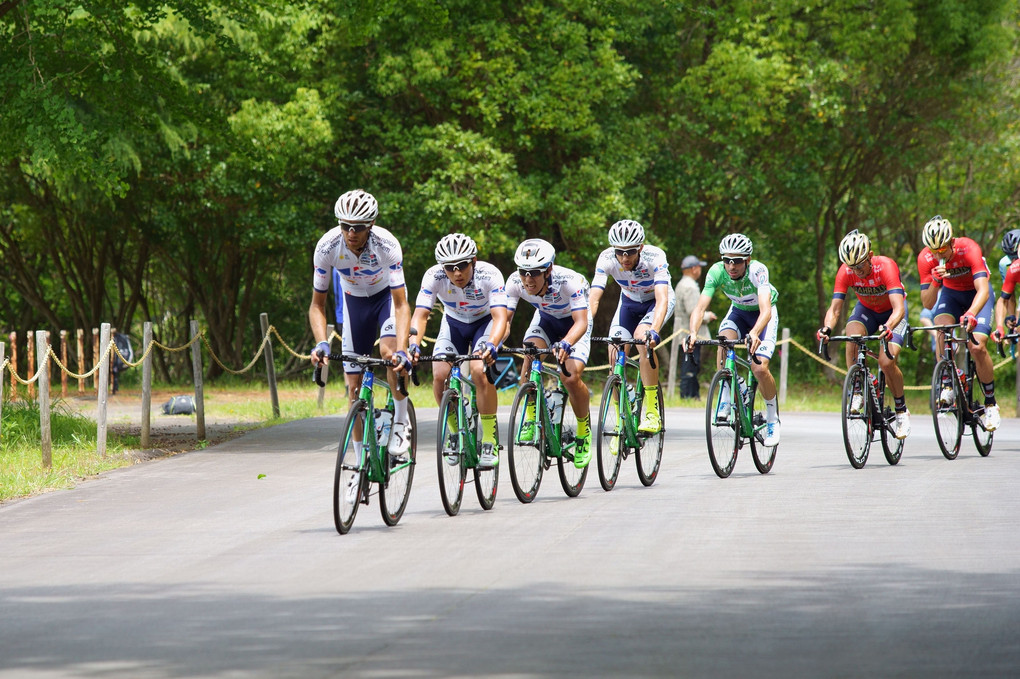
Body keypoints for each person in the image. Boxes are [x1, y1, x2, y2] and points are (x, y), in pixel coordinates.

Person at [308, 189, 414, 457]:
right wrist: (321, 342)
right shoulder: (327, 246)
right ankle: (358, 462)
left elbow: (401, 304)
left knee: (390, 354)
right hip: (354, 302)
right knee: (353, 387)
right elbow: (317, 305)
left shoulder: (387, 245)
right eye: (345, 226)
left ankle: (401, 422)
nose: (350, 232)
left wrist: (403, 348)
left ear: (371, 225)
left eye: (358, 227)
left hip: (386, 299)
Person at [409, 233, 509, 468]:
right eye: (450, 268)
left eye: (462, 266)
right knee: (439, 375)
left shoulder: (489, 274)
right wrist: (413, 345)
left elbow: (500, 316)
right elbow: (420, 315)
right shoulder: (433, 276)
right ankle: (454, 432)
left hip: (484, 324)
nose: (457, 273)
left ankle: (489, 438)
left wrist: (492, 344)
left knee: (478, 369)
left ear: (473, 261)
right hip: (453, 323)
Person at [682, 233, 782, 446]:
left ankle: (773, 419)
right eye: (727, 260)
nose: (731, 265)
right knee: (724, 341)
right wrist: (692, 332)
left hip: (763, 316)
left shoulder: (758, 271)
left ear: (747, 260)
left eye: (737, 261)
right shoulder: (717, 272)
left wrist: (755, 332)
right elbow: (700, 308)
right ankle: (727, 391)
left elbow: (766, 311)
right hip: (738, 311)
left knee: (760, 369)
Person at [502, 238, 593, 468]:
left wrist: (566, 343)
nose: (528, 279)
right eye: (524, 272)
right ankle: (530, 414)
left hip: (574, 323)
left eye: (535, 273)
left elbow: (581, 322)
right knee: (529, 353)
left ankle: (584, 430)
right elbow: (504, 322)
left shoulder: (569, 281)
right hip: (546, 319)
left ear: (549, 269)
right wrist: (494, 344)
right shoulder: (514, 282)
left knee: (570, 377)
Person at [817, 230, 911, 439]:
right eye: (852, 267)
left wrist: (889, 326)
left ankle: (901, 411)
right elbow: (835, 310)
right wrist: (827, 328)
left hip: (892, 313)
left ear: (870, 255)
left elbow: (899, 308)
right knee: (852, 339)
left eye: (860, 265)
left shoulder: (885, 266)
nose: (856, 271)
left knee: (887, 363)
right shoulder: (846, 271)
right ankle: (858, 388)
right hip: (867, 311)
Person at [588, 220, 675, 433]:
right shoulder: (606, 258)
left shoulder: (655, 257)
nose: (625, 258)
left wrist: (654, 330)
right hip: (628, 303)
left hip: (655, 302)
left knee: (642, 340)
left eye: (631, 252)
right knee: (614, 352)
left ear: (641, 248)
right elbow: (594, 298)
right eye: (620, 252)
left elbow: (662, 298)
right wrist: (585, 327)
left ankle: (652, 411)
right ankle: (620, 419)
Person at [917, 215, 999, 431]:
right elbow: (927, 301)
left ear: (952, 242)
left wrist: (972, 313)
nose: (937, 254)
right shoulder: (926, 258)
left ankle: (990, 403)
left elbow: (982, 288)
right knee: (941, 329)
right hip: (951, 295)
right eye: (933, 250)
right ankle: (947, 382)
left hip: (977, 295)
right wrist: (935, 280)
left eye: (942, 250)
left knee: (977, 346)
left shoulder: (968, 248)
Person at [673, 254, 717, 400]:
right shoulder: (690, 286)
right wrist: (708, 315)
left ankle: (691, 395)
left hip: (682, 332)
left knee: (689, 365)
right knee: (691, 366)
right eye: (699, 267)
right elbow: (694, 311)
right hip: (690, 333)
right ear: (693, 269)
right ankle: (688, 396)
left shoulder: (681, 284)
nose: (700, 270)